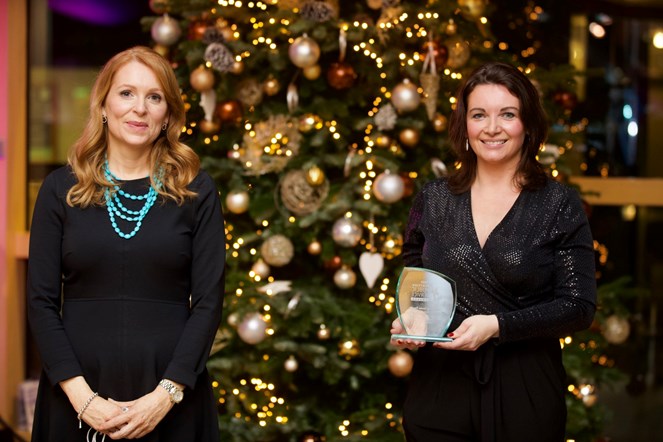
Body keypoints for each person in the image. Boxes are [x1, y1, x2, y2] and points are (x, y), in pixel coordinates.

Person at [390, 61, 597, 442]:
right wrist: (411, 319)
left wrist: (497, 326)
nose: (492, 128)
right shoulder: (433, 199)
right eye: (479, 114)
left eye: (508, 114)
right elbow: (415, 271)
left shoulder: (558, 205)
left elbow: (578, 306)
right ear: (464, 125)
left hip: (525, 390)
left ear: (528, 125)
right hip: (439, 390)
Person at [27, 46, 225, 441]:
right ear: (103, 104)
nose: (140, 109)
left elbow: (208, 303)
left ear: (168, 114)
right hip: (75, 395)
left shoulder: (196, 191)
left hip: (172, 400)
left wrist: (165, 396)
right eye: (126, 93)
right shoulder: (59, 190)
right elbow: (41, 302)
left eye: (155, 97)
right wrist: (83, 399)